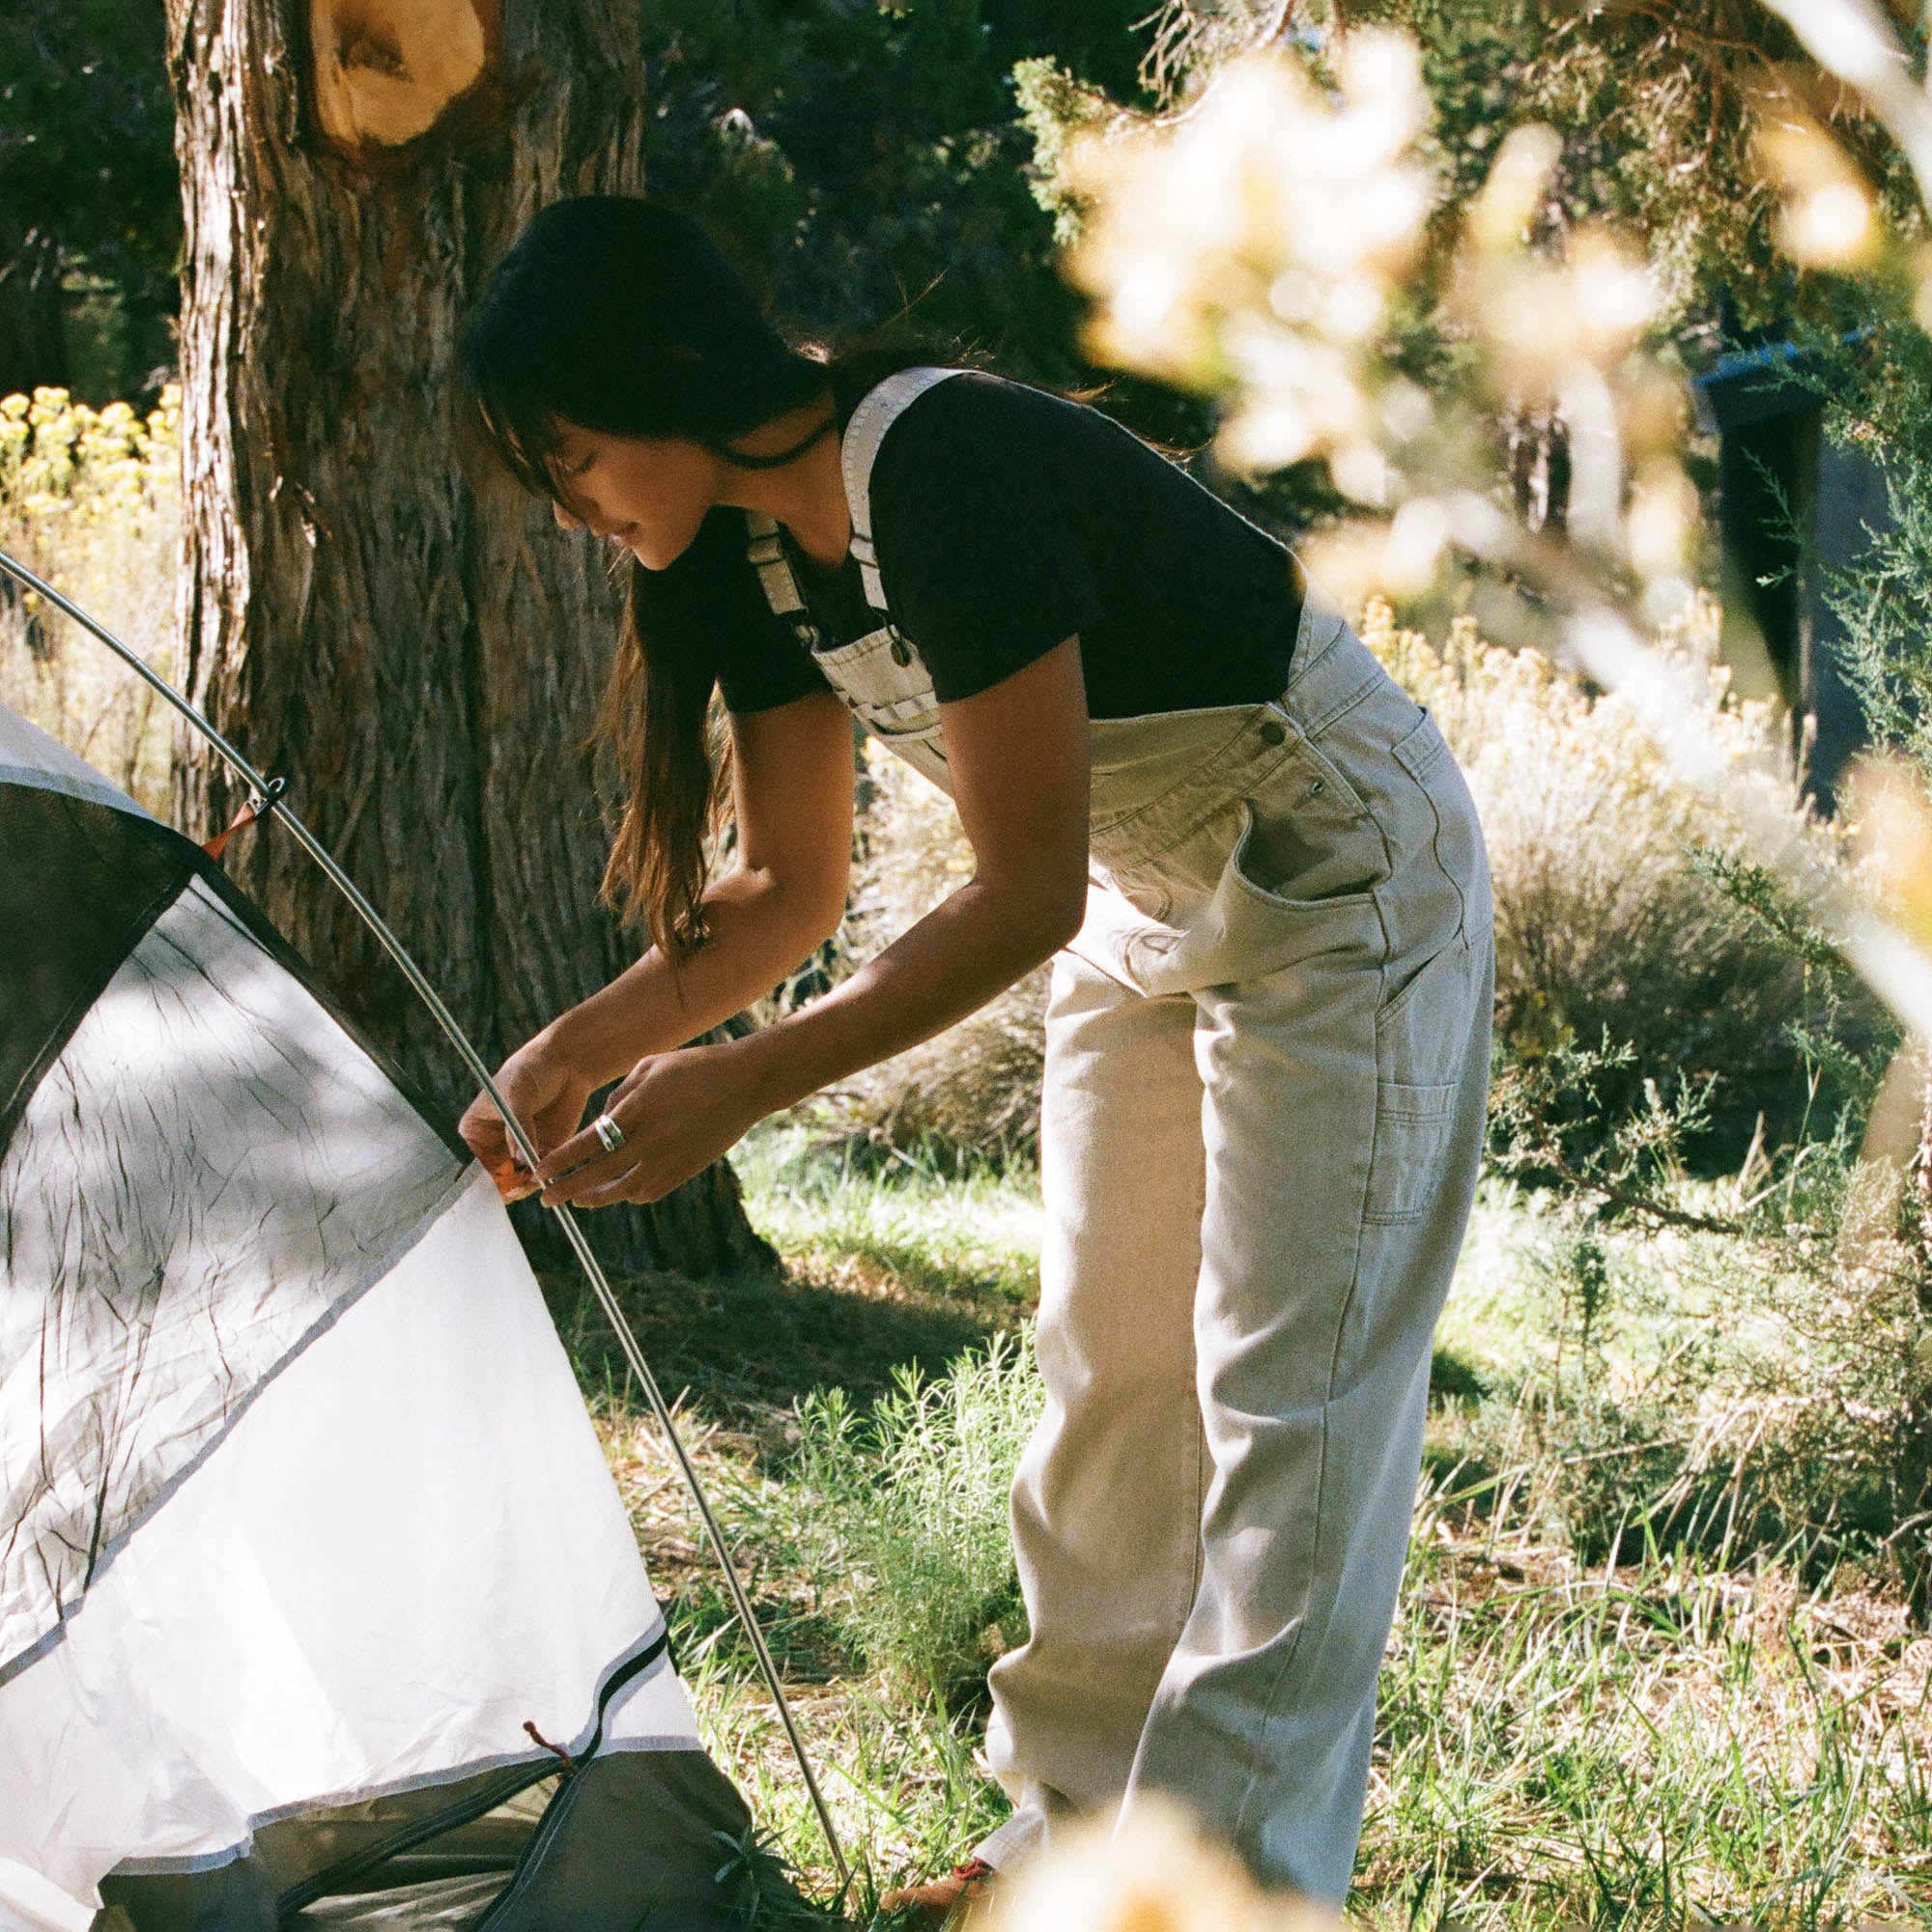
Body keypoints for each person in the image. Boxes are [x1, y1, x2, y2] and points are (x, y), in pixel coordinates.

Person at [456, 194, 1493, 1917]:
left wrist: (743, 1083)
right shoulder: (730, 550)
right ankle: (1061, 1845)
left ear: (662, 375)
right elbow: (789, 893)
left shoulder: (940, 462)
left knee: (1287, 1402)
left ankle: (1217, 1884)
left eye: (571, 456)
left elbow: (1017, 893)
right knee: (1112, 1379)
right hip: (1136, 905)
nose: (571, 510)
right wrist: (576, 1050)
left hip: (1334, 869)